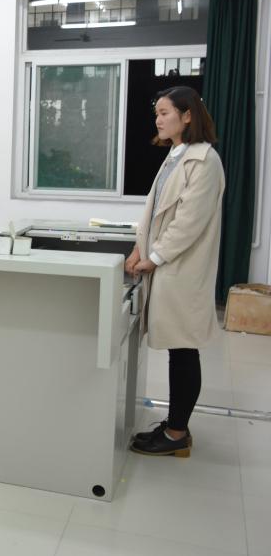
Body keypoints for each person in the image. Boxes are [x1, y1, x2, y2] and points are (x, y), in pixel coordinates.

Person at [127, 87, 224, 458]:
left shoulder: (205, 160)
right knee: (178, 350)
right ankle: (174, 424)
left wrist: (154, 257)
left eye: (165, 113)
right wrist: (140, 247)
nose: (158, 119)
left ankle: (176, 434)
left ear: (187, 116)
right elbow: (155, 212)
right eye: (157, 113)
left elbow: (188, 223)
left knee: (183, 350)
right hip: (168, 265)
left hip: (182, 268)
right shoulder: (176, 155)